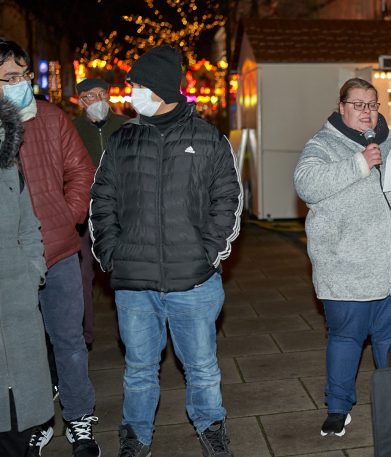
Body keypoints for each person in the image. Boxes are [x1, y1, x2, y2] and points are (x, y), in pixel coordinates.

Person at [89, 44, 242, 457]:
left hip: (192, 281)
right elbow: (101, 200)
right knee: (139, 370)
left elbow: (227, 200)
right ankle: (136, 437)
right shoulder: (122, 141)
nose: (131, 91)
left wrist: (207, 254)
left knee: (202, 368)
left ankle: (211, 428)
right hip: (134, 283)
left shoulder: (208, 139)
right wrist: (111, 255)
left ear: (159, 89)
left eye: (137, 84)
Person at [294, 77, 391, 437]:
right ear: (341, 107)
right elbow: (306, 184)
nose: (366, 112)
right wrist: (359, 163)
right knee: (346, 337)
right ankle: (338, 407)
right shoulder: (322, 144)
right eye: (358, 104)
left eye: (372, 105)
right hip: (347, 266)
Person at [0, 39, 100, 457]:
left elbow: (82, 172)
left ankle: (80, 419)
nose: (20, 84)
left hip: (58, 252)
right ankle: (35, 422)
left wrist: (66, 216)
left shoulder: (52, 118)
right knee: (22, 350)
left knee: (69, 341)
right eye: (9, 78)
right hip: (11, 262)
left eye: (23, 76)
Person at [0, 97, 54, 457]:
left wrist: (33, 270)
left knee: (20, 405)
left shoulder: (9, 169)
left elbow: (30, 227)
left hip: (16, 295)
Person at [73, 77, 129, 346]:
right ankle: (85, 336)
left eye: (101, 94)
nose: (97, 100)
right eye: (89, 96)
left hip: (121, 212)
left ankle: (129, 333)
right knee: (83, 274)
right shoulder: (71, 130)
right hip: (85, 213)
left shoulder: (126, 126)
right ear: (80, 101)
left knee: (123, 272)